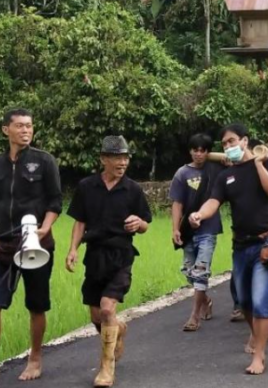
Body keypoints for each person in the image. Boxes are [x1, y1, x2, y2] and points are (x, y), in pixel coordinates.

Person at [0, 108, 61, 386]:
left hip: (36, 246)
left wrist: (45, 227)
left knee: (36, 305)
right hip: (4, 245)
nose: (26, 130)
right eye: (19, 126)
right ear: (6, 130)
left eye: (29, 126)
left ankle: (36, 358)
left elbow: (55, 201)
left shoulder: (45, 161)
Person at [188, 123, 268, 375]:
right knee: (243, 300)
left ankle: (260, 356)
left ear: (245, 141)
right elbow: (213, 201)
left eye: (232, 141)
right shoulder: (225, 176)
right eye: (225, 144)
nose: (229, 147)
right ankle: (257, 333)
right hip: (241, 245)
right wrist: (199, 214)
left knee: (261, 300)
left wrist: (257, 164)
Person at [65, 136, 153, 387]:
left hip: (121, 255)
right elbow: (79, 221)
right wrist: (73, 249)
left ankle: (107, 367)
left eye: (125, 158)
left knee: (106, 309)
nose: (122, 162)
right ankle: (118, 330)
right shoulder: (86, 187)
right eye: (117, 157)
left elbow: (145, 223)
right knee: (96, 316)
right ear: (103, 159)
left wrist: (139, 224)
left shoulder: (133, 190)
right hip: (94, 255)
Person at [170, 133, 225, 332]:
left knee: (201, 271)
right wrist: (175, 228)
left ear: (209, 152)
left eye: (203, 150)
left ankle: (194, 317)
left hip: (208, 230)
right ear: (190, 151)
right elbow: (177, 203)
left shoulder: (216, 169)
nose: (199, 154)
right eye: (195, 150)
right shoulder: (182, 174)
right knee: (188, 271)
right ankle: (206, 300)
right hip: (189, 231)